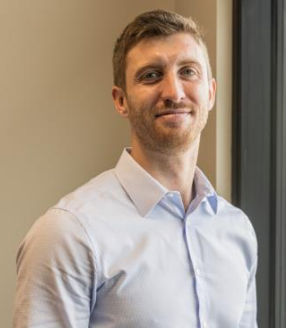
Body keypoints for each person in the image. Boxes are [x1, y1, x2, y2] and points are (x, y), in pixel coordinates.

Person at [13, 9, 258, 328]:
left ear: (210, 93)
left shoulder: (236, 231)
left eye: (188, 71)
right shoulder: (69, 234)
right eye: (151, 75)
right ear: (121, 100)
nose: (174, 92)